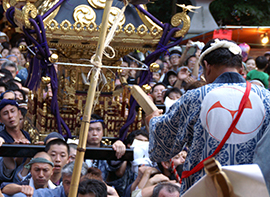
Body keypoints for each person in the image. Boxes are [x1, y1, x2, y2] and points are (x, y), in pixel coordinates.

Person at [146, 39, 270, 193]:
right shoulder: (266, 98)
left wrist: (152, 121)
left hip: (205, 187)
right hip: (254, 189)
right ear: (241, 69)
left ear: (206, 66)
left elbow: (163, 147)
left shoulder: (195, 97)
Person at [85, 114, 126, 181]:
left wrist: (119, 146)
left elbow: (115, 164)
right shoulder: (75, 148)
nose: (95, 133)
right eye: (90, 130)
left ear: (103, 132)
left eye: (98, 130)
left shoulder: (108, 150)